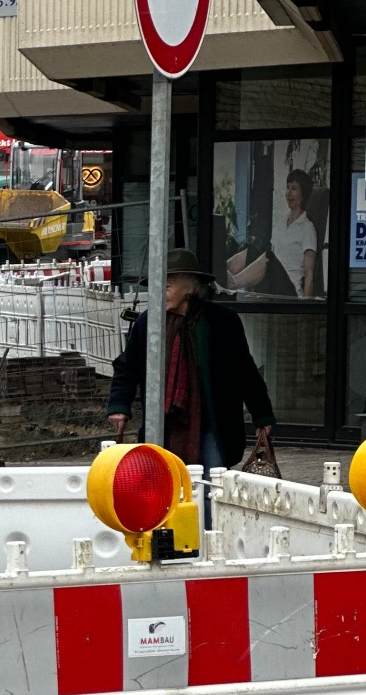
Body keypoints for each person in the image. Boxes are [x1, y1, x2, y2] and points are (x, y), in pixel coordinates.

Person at [107, 247, 275, 471]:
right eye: (158, 286)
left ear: (191, 287)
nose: (160, 292)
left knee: (211, 486)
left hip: (212, 426)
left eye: (167, 286)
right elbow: (127, 368)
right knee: (166, 485)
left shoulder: (222, 322)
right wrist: (119, 405)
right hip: (164, 427)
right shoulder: (149, 323)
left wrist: (262, 415)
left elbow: (244, 371)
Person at [226, 168, 319, 298]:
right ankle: (219, 274)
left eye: (294, 188)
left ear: (303, 194)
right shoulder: (280, 226)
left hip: (290, 292)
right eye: (287, 188)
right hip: (272, 285)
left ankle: (233, 283)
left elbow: (309, 273)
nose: (288, 193)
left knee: (269, 256)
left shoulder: (307, 228)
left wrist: (306, 308)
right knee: (252, 251)